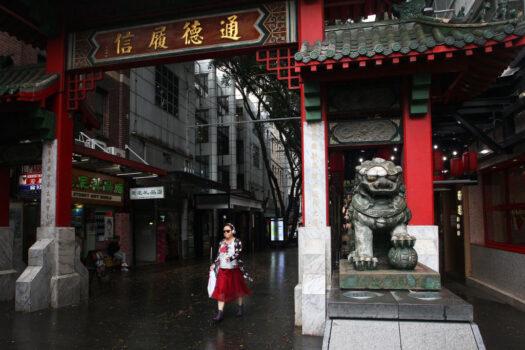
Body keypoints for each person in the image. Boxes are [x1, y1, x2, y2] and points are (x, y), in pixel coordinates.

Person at [210, 223, 252, 322]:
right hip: (222, 270)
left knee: (238, 289)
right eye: (224, 231)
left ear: (232, 231)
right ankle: (220, 314)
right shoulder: (221, 242)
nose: (226, 233)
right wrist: (214, 264)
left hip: (234, 270)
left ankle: (240, 307)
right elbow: (218, 255)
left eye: (228, 231)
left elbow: (239, 252)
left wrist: (231, 257)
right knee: (221, 290)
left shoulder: (237, 241)